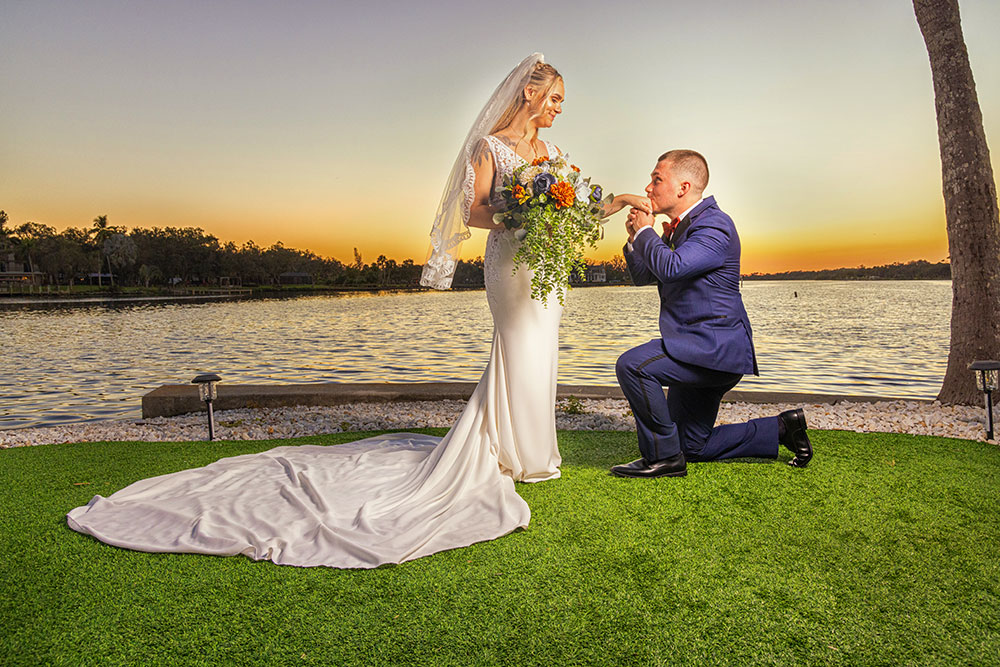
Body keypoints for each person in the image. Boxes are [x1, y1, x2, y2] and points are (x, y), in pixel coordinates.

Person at [66, 53, 640, 569]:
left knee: (540, 352)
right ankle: (505, 452)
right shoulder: (489, 147)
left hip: (545, 266)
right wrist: (524, 216)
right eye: (556, 98)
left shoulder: (555, 155)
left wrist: (600, 205)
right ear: (530, 94)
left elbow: (574, 208)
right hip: (509, 265)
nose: (561, 109)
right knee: (515, 347)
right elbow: (476, 213)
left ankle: (531, 451)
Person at [611, 150, 814, 478]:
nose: (648, 188)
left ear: (683, 187)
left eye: (656, 179)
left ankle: (663, 459)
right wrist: (637, 237)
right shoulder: (679, 228)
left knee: (633, 366)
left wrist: (648, 232)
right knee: (693, 445)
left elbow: (672, 267)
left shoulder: (714, 224)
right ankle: (781, 428)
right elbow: (644, 276)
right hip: (694, 347)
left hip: (712, 351)